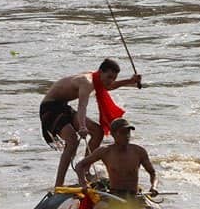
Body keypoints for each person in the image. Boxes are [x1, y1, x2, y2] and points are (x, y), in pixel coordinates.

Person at [40, 58, 141, 187]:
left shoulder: (97, 78)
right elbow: (82, 106)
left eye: (113, 78)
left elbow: (109, 86)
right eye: (109, 77)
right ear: (100, 72)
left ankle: (84, 169)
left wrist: (131, 81)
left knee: (97, 131)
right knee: (72, 140)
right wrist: (82, 126)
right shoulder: (86, 82)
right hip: (50, 108)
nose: (110, 81)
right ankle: (58, 185)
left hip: (63, 106)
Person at [75, 118, 158, 199]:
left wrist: (153, 187)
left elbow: (153, 173)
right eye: (122, 132)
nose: (127, 136)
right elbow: (80, 165)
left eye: (128, 132)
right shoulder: (104, 151)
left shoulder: (139, 151)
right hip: (113, 195)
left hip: (134, 195)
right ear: (113, 134)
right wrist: (83, 183)